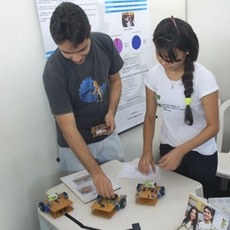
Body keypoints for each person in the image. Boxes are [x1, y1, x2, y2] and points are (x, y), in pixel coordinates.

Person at [43, 2, 125, 198]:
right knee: (87, 204)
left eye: (82, 50)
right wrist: (95, 172)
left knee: (120, 191)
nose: (77, 58)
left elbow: (115, 80)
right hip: (74, 149)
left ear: (89, 32)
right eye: (68, 53)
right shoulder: (53, 72)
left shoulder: (104, 43)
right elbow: (68, 127)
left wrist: (111, 111)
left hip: (107, 136)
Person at [138, 16, 219, 198]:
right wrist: (146, 151)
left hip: (200, 155)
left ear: (187, 53)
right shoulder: (153, 76)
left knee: (199, 209)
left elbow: (214, 126)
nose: (164, 63)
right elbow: (150, 116)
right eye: (160, 56)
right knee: (171, 202)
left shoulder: (204, 79)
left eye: (172, 59)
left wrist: (181, 151)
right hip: (169, 148)